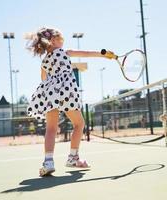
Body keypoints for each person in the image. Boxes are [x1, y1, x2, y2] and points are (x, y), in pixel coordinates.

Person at [25, 27, 112, 176]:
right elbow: (86, 54)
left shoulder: (45, 61)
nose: (63, 42)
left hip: (51, 93)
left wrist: (53, 88)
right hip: (68, 92)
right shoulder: (65, 52)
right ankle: (72, 157)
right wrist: (104, 55)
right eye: (61, 39)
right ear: (52, 40)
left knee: (51, 128)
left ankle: (48, 162)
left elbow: (43, 79)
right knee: (79, 124)